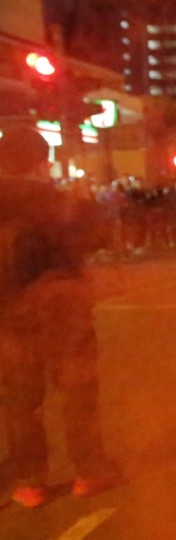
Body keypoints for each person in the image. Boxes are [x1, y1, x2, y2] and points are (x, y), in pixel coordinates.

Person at [0, 126, 121, 507]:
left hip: (12, 311)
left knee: (21, 398)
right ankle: (89, 470)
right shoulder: (53, 199)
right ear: (41, 160)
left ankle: (30, 481)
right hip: (62, 309)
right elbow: (95, 236)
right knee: (77, 389)